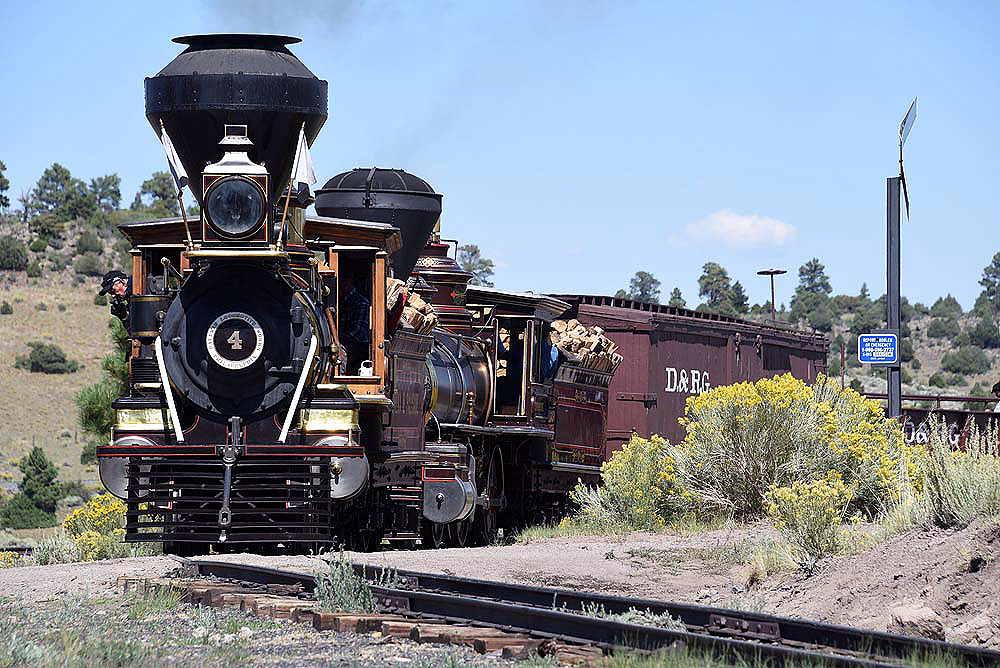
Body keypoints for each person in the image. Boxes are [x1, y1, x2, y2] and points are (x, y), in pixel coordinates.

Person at [338, 271, 371, 374]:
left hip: (358, 345)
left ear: (347, 282)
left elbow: (355, 331)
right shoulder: (342, 301)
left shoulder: (360, 302)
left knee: (340, 350)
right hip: (346, 341)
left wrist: (337, 340)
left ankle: (340, 376)